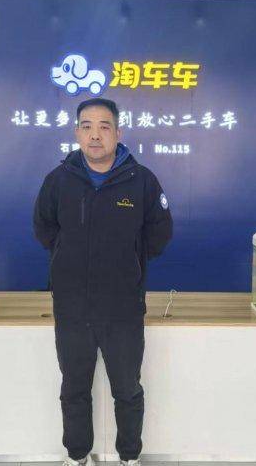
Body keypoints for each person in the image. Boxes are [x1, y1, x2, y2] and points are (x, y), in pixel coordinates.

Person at [33, 97, 173, 466]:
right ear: (77, 132)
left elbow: (158, 234)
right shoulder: (58, 180)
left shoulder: (141, 181)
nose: (95, 135)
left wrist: (127, 263)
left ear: (118, 133)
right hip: (72, 307)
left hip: (122, 308)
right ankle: (77, 455)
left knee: (127, 389)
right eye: (87, 126)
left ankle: (129, 457)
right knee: (74, 389)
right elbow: (44, 228)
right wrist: (69, 258)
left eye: (104, 126)